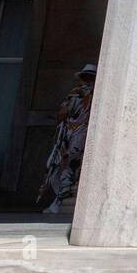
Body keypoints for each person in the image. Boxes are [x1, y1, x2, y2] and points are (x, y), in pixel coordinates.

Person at [39, 62, 96, 214]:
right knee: (69, 169)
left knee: (59, 169)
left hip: (71, 137)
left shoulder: (78, 92)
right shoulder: (97, 95)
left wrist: (58, 118)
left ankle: (59, 201)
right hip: (84, 137)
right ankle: (59, 201)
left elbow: (64, 112)